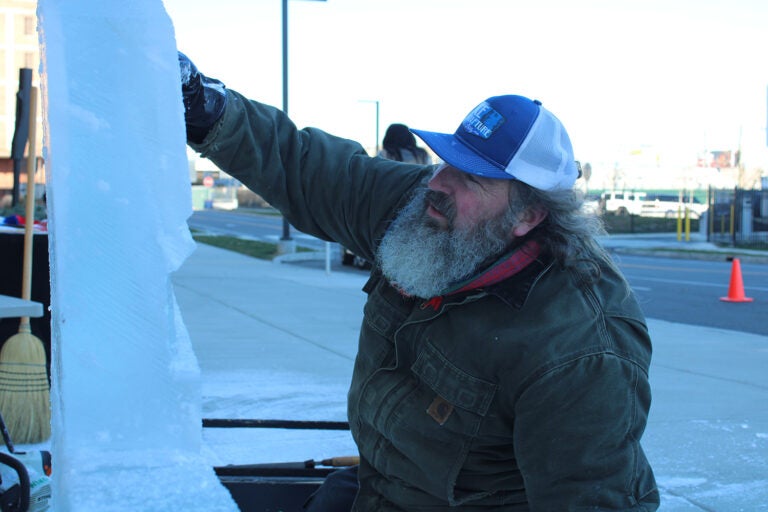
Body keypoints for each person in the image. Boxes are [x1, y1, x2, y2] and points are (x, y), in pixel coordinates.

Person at [179, 52, 659, 511]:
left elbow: (593, 500)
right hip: (378, 490)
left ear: (528, 214)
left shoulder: (578, 349)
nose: (439, 182)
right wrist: (206, 108)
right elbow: (309, 168)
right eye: (449, 160)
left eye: (473, 178)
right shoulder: (421, 208)